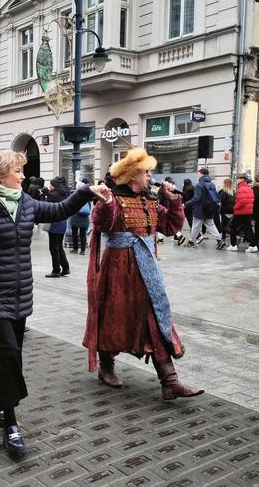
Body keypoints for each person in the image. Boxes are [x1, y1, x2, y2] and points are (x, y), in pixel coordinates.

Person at [0, 149, 111, 457]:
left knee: (6, 354)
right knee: (9, 355)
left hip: (19, 292)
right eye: (17, 170)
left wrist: (86, 192)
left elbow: (58, 210)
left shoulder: (25, 202)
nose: (22, 175)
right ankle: (10, 422)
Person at [82, 148, 203, 402]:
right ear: (132, 175)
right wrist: (104, 203)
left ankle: (169, 381)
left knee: (154, 318)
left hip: (146, 271)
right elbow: (102, 223)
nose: (149, 176)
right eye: (145, 172)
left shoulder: (150, 202)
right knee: (113, 316)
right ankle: (106, 366)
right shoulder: (113, 199)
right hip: (118, 271)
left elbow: (170, 228)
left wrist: (173, 201)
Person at [185, 168, 224, 249]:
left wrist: (185, 204)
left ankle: (191, 241)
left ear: (202, 173)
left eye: (198, 173)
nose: (197, 175)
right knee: (211, 225)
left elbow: (196, 198)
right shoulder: (212, 184)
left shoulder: (199, 185)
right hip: (209, 208)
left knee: (195, 226)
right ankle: (219, 240)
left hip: (200, 209)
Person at [45, 176, 71, 277]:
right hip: (63, 222)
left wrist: (45, 195)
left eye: (51, 184)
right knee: (59, 247)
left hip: (54, 223)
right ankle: (65, 268)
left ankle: (56, 270)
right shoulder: (65, 194)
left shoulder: (52, 195)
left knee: (54, 248)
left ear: (54, 185)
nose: (49, 186)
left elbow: (46, 208)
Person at [226, 173, 258, 252]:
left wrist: (235, 207)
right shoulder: (249, 188)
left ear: (242, 179)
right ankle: (253, 245)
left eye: (237, 178)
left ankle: (233, 245)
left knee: (232, 227)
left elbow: (242, 201)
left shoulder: (241, 189)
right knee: (248, 229)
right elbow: (252, 200)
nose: (236, 180)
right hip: (248, 212)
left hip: (241, 212)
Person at [70, 181, 91, 255]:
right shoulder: (87, 195)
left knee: (74, 234)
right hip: (84, 217)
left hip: (75, 217)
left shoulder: (74, 195)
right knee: (83, 234)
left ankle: (75, 249)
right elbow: (89, 207)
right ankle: (82, 250)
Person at [217, 177, 235, 245]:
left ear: (224, 183)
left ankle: (223, 239)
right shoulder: (233, 192)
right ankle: (231, 237)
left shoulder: (223, 191)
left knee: (224, 225)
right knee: (229, 225)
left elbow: (220, 200)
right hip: (232, 211)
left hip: (224, 210)